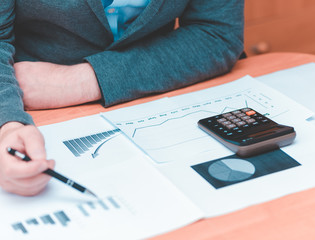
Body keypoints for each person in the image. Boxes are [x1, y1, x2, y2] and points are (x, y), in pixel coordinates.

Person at [0, 0, 245, 196]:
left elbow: (216, 32)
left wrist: (88, 79)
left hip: (157, 93)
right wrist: (7, 127)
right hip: (27, 103)